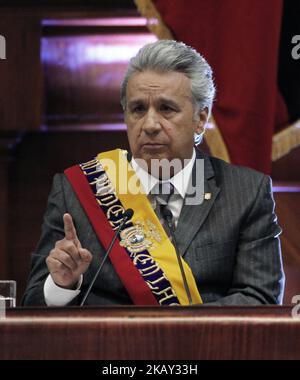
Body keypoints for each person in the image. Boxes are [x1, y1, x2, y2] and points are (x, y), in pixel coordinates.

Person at [22, 40, 285, 307]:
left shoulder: (246, 192)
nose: (149, 125)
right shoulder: (78, 189)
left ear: (201, 119)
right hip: (103, 346)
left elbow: (260, 298)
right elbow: (32, 304)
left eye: (166, 109)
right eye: (138, 109)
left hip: (205, 348)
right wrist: (61, 284)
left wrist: (172, 333)